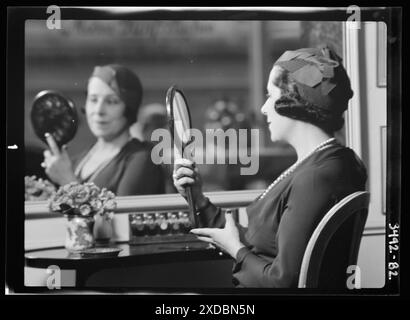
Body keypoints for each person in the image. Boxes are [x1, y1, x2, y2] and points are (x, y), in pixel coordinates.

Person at [172, 46, 367, 288]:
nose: (264, 108)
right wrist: (197, 198)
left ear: (294, 101)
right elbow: (261, 243)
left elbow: (283, 282)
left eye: (270, 96)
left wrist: (236, 249)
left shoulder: (317, 178)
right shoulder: (326, 164)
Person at [42, 64, 165, 196]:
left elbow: (122, 215)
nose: (99, 110)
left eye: (111, 101)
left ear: (130, 108)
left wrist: (67, 181)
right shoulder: (77, 161)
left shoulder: (142, 158)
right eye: (93, 100)